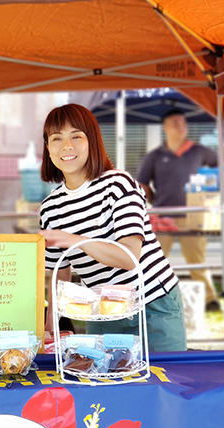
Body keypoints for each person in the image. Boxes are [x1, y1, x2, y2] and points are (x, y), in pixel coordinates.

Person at [38, 103, 186, 352]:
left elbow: (129, 257)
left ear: (93, 141)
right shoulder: (50, 207)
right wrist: (50, 325)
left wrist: (71, 239)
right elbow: (59, 275)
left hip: (151, 304)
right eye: (57, 138)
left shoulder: (118, 184)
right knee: (105, 386)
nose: (67, 146)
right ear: (48, 149)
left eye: (77, 136)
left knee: (162, 381)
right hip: (102, 312)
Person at [136, 109, 220, 312]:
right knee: (153, 259)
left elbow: (221, 170)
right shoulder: (155, 156)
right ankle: (146, 296)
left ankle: (210, 300)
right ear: (165, 128)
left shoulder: (199, 151)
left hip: (194, 215)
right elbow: (142, 183)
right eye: (175, 123)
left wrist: (209, 194)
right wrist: (154, 202)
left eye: (183, 123)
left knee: (197, 259)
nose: (180, 126)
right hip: (162, 217)